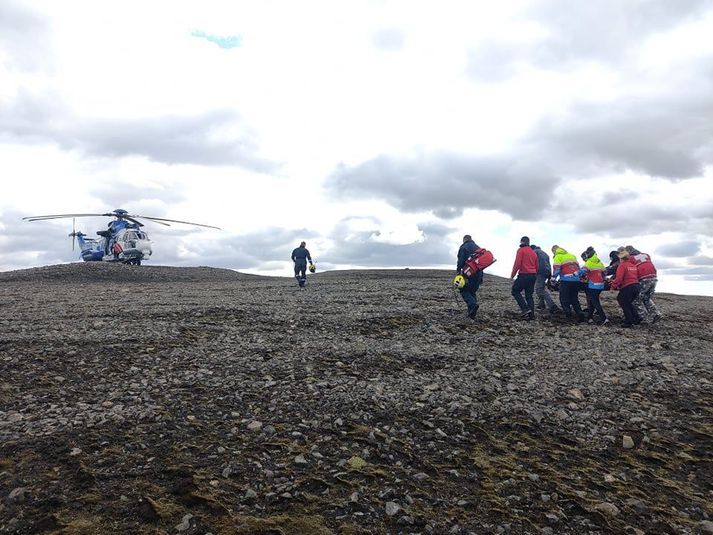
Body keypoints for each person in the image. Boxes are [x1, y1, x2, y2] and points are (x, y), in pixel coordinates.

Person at [625, 245, 661, 323]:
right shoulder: (646, 255)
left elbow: (627, 267)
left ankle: (642, 317)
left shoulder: (631, 258)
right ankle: (655, 313)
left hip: (644, 278)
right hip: (654, 277)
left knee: (637, 300)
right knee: (646, 298)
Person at [551, 245, 585, 322]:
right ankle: (579, 313)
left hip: (566, 280)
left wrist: (553, 278)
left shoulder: (558, 256)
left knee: (563, 298)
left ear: (554, 251)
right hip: (576, 280)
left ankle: (568, 314)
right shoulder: (572, 255)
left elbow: (557, 268)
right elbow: (578, 268)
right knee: (574, 298)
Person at [611, 247, 641, 327]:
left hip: (628, 286)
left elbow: (619, 278)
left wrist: (613, 286)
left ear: (620, 258)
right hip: (636, 286)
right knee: (628, 302)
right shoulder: (633, 265)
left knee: (622, 301)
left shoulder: (622, 265)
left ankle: (629, 321)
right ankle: (636, 317)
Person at [578, 247, 609, 325]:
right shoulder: (599, 262)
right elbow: (605, 272)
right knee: (592, 301)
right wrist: (602, 278)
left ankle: (604, 318)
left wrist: (575, 273)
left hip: (592, 285)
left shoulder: (589, 262)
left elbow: (583, 271)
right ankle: (590, 317)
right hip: (600, 285)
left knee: (594, 301)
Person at [510, 236, 538, 320]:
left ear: (522, 242)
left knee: (515, 291)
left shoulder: (521, 250)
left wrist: (512, 275)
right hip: (533, 275)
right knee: (529, 295)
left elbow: (517, 264)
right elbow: (537, 266)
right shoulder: (533, 252)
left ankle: (525, 309)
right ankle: (531, 315)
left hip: (524, 274)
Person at [456, 234, 484, 319]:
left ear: (464, 240)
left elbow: (461, 261)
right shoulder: (478, 248)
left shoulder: (463, 247)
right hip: (478, 273)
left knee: (463, 289)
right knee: (472, 292)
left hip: (468, 273)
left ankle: (472, 305)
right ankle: (472, 313)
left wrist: (458, 271)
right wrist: (481, 276)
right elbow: (481, 263)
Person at [531, 244, 558, 314]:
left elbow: (533, 263)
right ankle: (541, 305)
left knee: (539, 290)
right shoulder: (545, 254)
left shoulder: (534, 252)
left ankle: (552, 306)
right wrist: (550, 276)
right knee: (540, 288)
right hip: (547, 272)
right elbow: (548, 264)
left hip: (540, 272)